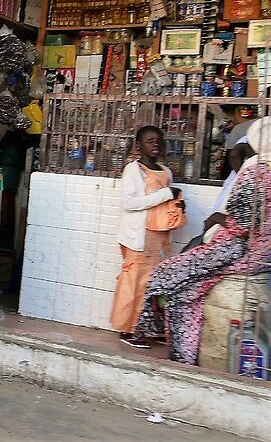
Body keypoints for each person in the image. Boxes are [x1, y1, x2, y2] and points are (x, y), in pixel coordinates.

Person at [135, 116, 271, 365]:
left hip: (241, 250)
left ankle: (154, 331)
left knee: (164, 274)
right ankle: (176, 347)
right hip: (260, 254)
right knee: (186, 292)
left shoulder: (257, 173)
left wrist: (219, 218)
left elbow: (243, 225)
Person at [110, 126, 184, 349]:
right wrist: (164, 195)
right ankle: (128, 329)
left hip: (159, 238)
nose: (156, 145)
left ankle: (149, 329)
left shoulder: (165, 171)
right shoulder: (133, 170)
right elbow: (129, 203)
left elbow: (164, 202)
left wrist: (177, 204)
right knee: (133, 284)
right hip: (138, 238)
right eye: (150, 141)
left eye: (159, 141)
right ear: (138, 146)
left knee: (154, 286)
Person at [220, 104, 258, 179]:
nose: (232, 119)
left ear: (238, 113)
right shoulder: (261, 123)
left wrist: (223, 178)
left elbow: (231, 156)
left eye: (231, 116)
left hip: (244, 174)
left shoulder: (238, 128)